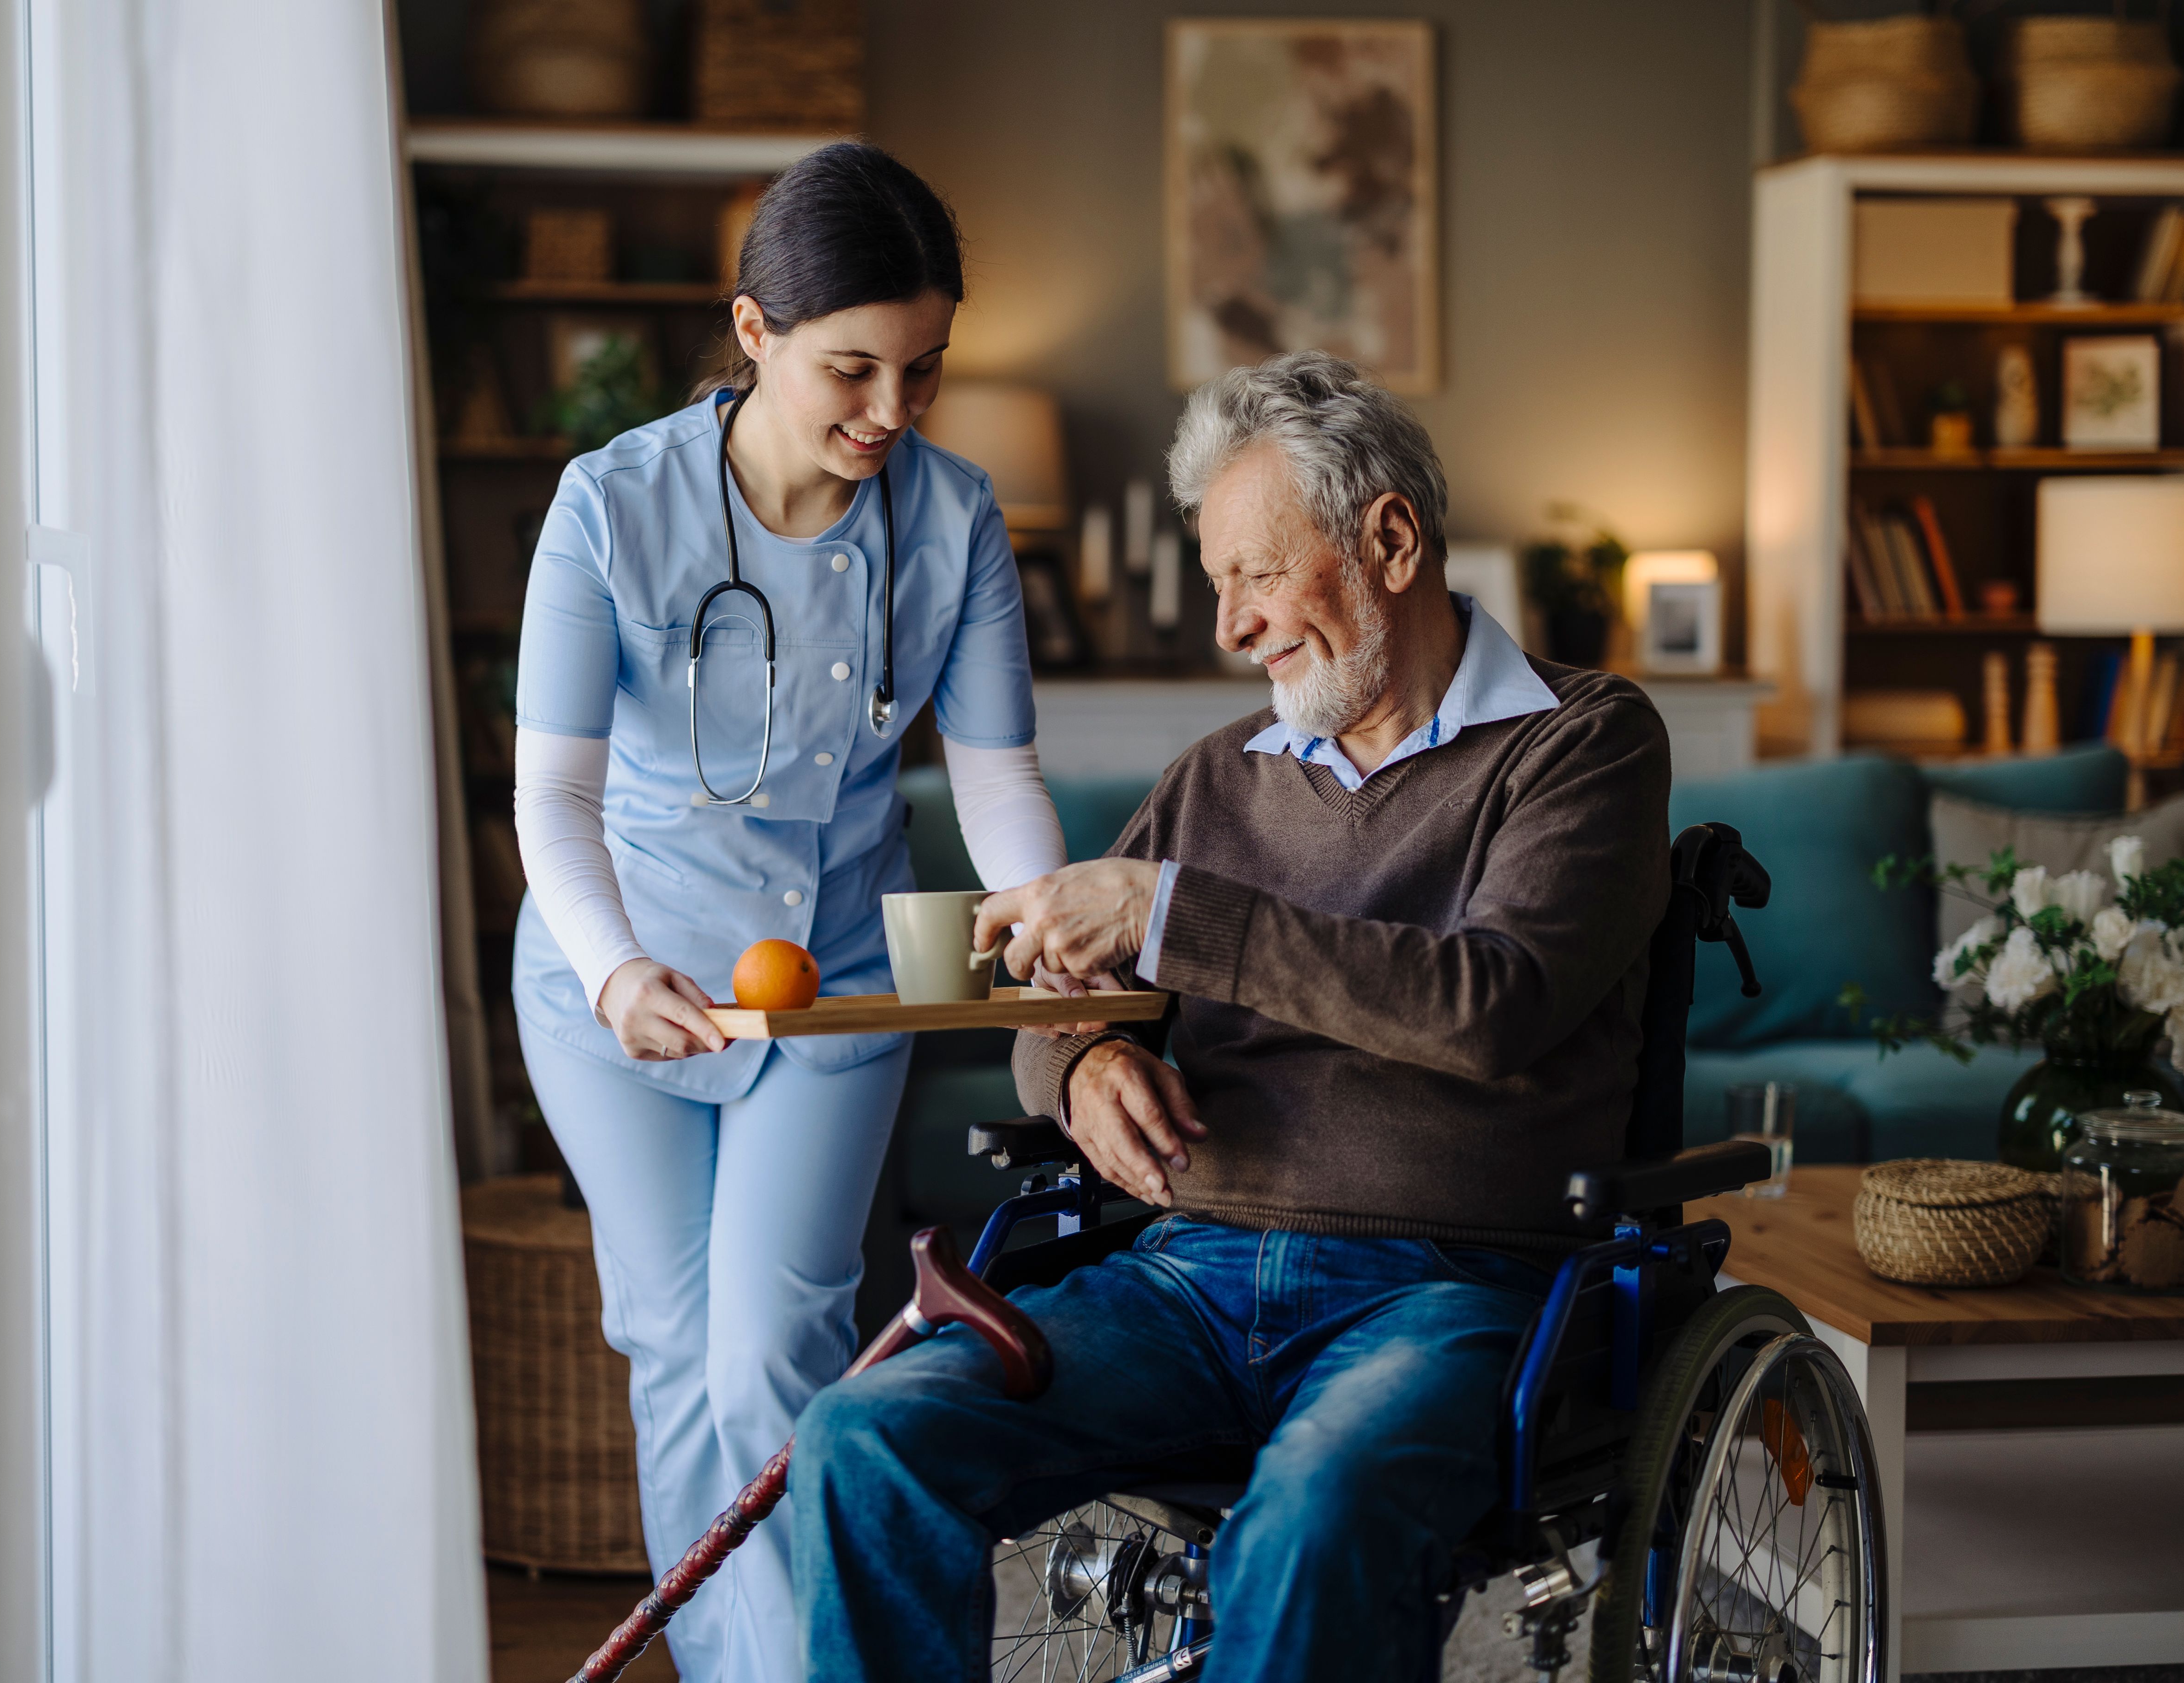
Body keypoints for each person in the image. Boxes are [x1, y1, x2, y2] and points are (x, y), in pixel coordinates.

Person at [786, 351, 1674, 1683]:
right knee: (862, 1440)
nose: (1232, 627)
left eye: (1256, 574)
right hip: (1186, 1283)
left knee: (1312, 1517)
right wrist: (1082, 1071)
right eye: (1219, 587)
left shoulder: (1581, 744)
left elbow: (1498, 1005)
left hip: (1446, 1291)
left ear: (1389, 538)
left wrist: (1170, 912)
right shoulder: (1214, 781)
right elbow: (1057, 1014)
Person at [508, 143, 1066, 1683]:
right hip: (612, 976)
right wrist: (617, 972)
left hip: (831, 987)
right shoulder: (611, 509)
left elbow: (997, 774)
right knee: (675, 1354)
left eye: (925, 371)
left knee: (777, 1353)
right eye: (852, 369)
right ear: (752, 333)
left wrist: (1041, 915)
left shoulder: (953, 521)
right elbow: (551, 797)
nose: (892, 412)